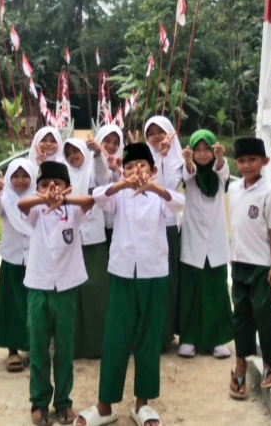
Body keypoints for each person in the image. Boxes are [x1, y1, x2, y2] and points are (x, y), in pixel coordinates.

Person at [76, 142, 185, 426]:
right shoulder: (119, 195)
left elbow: (178, 203)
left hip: (154, 274)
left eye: (142, 166)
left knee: (149, 339)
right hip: (124, 272)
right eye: (130, 166)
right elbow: (99, 196)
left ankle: (142, 404)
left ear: (152, 170)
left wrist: (154, 187)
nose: (136, 171)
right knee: (115, 338)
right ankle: (104, 406)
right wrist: (122, 183)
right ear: (123, 170)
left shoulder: (160, 196)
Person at [18, 160, 94, 426]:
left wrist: (65, 198)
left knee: (64, 350)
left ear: (67, 187)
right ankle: (39, 402)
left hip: (65, 289)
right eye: (44, 184)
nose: (51, 188)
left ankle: (63, 402)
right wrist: (40, 197)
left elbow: (89, 202)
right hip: (38, 287)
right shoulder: (36, 210)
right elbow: (21, 205)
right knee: (38, 349)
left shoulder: (72, 210)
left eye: (57, 184)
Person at [228, 136, 271, 401]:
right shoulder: (234, 188)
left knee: (263, 315)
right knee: (240, 317)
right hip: (238, 263)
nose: (247, 165)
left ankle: (270, 364)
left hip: (261, 266)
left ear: (265, 161)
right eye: (241, 160)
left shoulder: (269, 193)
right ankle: (240, 365)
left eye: (252, 160)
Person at [177, 129, 233, 360]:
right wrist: (189, 161)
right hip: (192, 237)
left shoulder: (221, 169)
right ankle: (188, 338)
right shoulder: (188, 170)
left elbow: (222, 170)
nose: (201, 154)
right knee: (190, 290)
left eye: (206, 149)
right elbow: (189, 173)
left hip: (216, 239)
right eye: (197, 149)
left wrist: (219, 158)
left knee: (215, 290)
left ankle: (217, 339)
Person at [63, 137, 111, 359]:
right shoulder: (65, 175)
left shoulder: (93, 170)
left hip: (94, 238)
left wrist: (99, 153)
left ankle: (98, 345)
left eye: (76, 151)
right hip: (71, 239)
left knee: (95, 290)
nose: (73, 156)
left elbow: (104, 175)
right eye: (69, 152)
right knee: (75, 291)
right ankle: (76, 345)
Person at [0, 156, 37, 372]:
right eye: (15, 176)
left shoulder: (38, 198)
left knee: (34, 306)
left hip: (35, 261)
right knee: (11, 306)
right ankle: (12, 350)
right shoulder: (5, 199)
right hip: (12, 259)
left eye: (25, 176)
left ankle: (34, 346)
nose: (20, 181)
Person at [144, 116, 184, 350]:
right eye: (152, 133)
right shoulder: (141, 161)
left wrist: (165, 157)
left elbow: (170, 189)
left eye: (161, 131)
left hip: (167, 226)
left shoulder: (176, 161)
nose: (156, 137)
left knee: (166, 283)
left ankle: (165, 333)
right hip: (145, 227)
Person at [88, 125, 124, 250]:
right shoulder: (89, 163)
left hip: (118, 224)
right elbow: (101, 179)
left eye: (116, 143)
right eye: (106, 141)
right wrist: (99, 155)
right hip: (97, 224)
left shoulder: (125, 165)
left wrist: (116, 169)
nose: (111, 146)